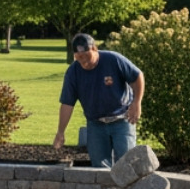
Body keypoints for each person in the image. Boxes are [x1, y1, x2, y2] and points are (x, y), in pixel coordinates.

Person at [52, 33, 144, 168]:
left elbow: (137, 76)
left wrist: (137, 102)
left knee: (127, 165)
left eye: (87, 57)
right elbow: (67, 103)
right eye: (79, 59)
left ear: (94, 49)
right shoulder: (73, 72)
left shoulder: (113, 59)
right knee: (99, 168)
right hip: (95, 124)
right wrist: (60, 132)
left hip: (122, 120)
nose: (84, 62)